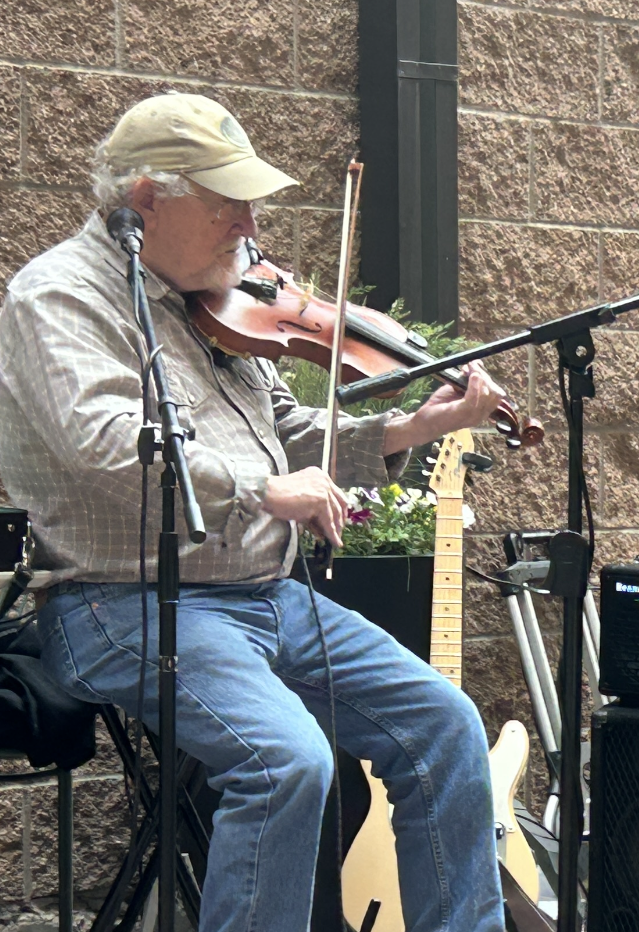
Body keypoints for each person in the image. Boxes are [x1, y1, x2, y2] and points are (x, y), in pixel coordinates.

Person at [0, 94, 510, 932]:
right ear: (147, 200)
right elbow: (106, 440)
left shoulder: (218, 300)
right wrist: (264, 492)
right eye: (226, 201)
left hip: (265, 596)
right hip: (122, 601)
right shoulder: (59, 297)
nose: (250, 221)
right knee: (285, 762)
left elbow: (290, 434)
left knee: (445, 727)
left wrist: (416, 426)